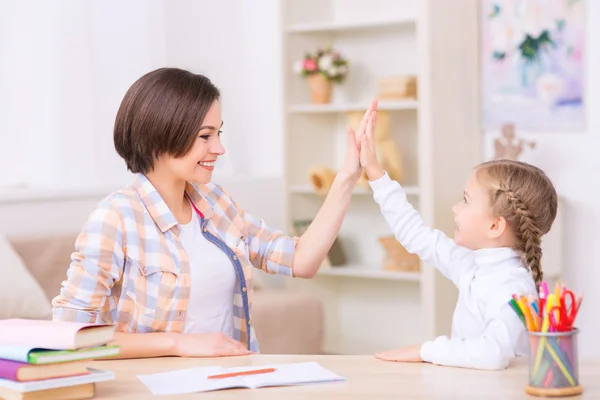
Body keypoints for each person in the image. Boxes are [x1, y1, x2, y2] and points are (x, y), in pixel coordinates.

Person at [52, 67, 377, 359]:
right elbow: (68, 335)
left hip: (229, 381)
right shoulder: (115, 218)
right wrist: (176, 343)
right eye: (205, 136)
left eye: (218, 133)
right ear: (161, 135)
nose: (219, 148)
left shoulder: (214, 202)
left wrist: (348, 176)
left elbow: (300, 260)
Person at [358, 111, 557, 370]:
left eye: (465, 200)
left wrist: (425, 350)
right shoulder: (472, 266)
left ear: (495, 225)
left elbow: (493, 353)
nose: (455, 208)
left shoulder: (512, 287)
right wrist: (374, 171)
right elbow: (415, 234)